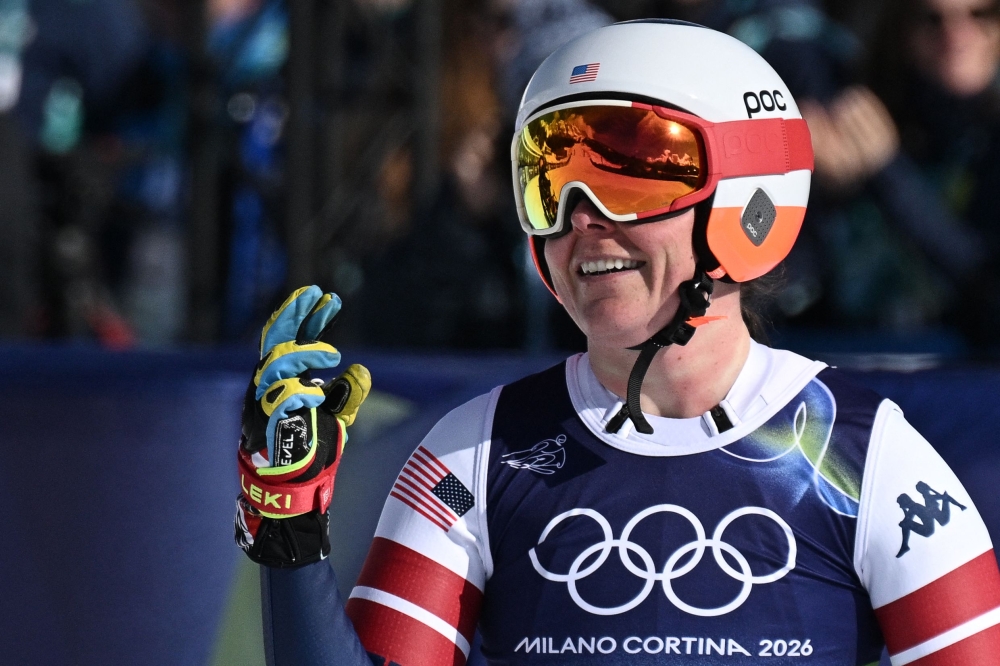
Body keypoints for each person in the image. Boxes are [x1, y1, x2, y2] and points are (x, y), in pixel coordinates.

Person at [234, 21, 1000, 665]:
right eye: (551, 177)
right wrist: (287, 535)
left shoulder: (870, 457)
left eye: (631, 177)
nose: (582, 217)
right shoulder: (472, 456)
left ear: (748, 200)